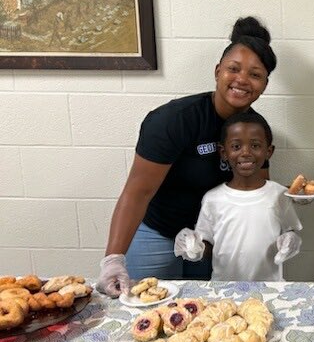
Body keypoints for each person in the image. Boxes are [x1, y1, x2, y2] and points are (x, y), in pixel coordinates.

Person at [97, 16, 277, 296]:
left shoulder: (255, 131)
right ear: (218, 71)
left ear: (264, 85)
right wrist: (113, 259)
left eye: (255, 75)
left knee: (202, 311)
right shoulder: (173, 120)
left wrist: (284, 210)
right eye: (233, 69)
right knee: (141, 307)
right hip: (158, 232)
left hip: (210, 240)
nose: (242, 79)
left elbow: (253, 193)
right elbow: (138, 192)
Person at [176, 112, 303, 281]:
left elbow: (289, 231)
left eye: (255, 146)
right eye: (236, 146)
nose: (246, 153)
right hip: (225, 287)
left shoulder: (279, 194)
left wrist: (291, 240)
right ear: (223, 152)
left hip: (269, 286)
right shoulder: (212, 199)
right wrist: (194, 247)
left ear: (269, 151)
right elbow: (207, 243)